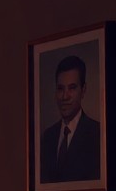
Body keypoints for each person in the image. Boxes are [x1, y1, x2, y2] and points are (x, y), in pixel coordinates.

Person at [39, 54, 100, 183]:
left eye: (72, 88)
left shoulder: (97, 134)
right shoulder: (48, 136)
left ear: (83, 90)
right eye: (60, 88)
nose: (65, 96)